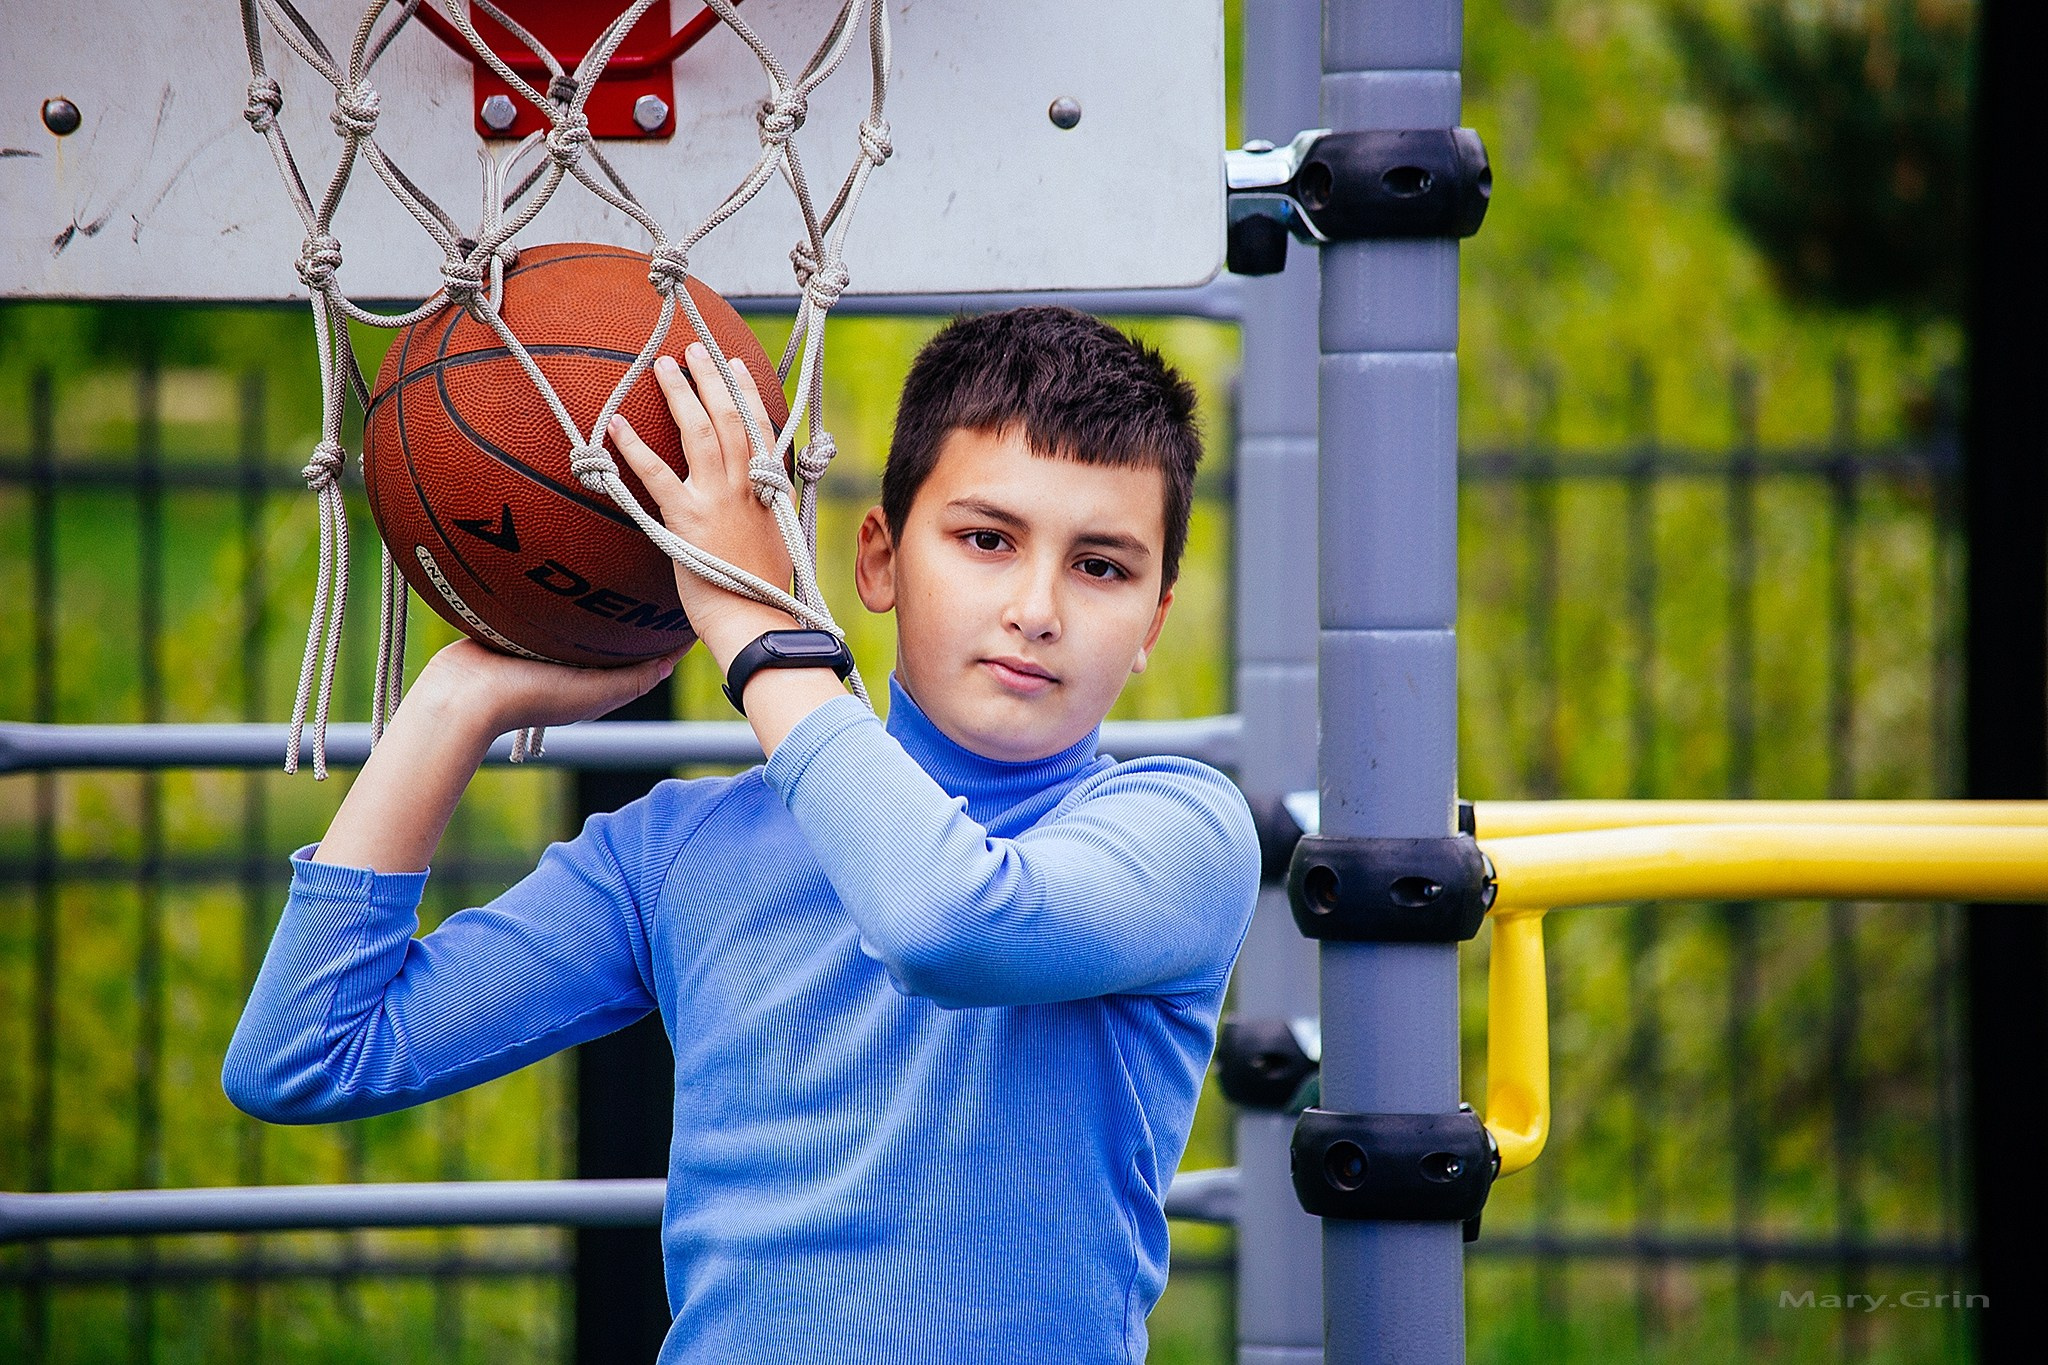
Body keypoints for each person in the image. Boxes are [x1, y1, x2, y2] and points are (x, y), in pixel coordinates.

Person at [224, 306, 1261, 1363]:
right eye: (985, 540)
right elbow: (304, 1058)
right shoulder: (677, 854)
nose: (1035, 608)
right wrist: (455, 701)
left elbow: (942, 920)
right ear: (879, 561)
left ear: (1152, 622)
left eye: (1101, 566)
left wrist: (755, 635)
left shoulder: (1176, 830)